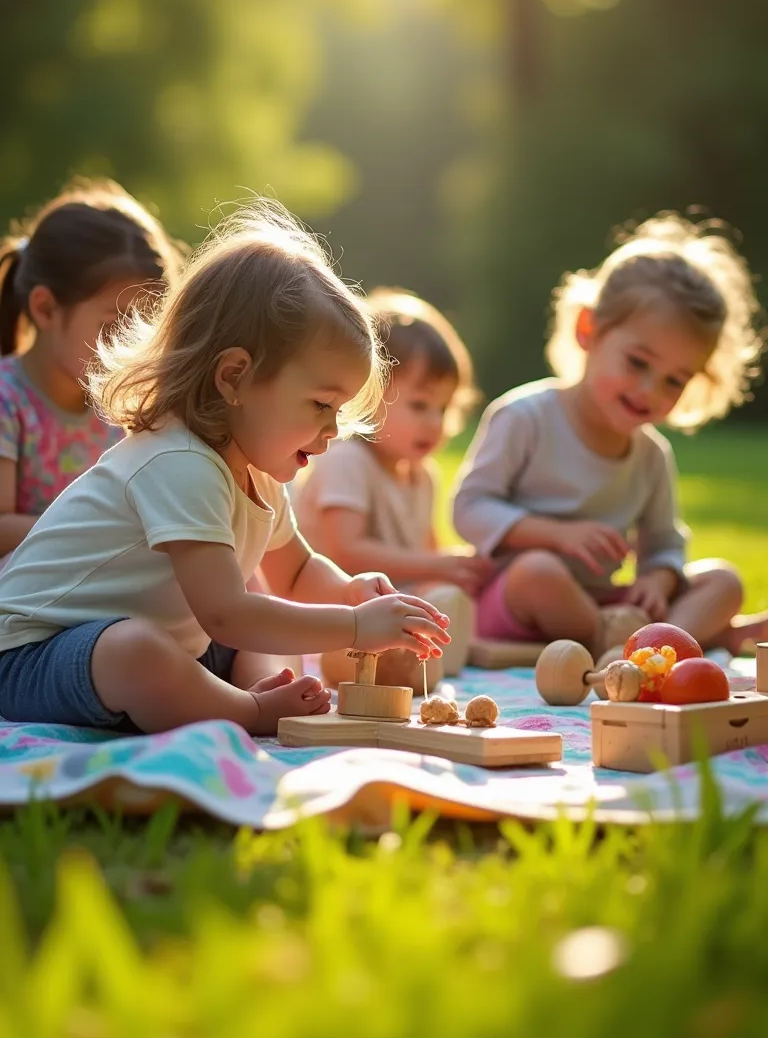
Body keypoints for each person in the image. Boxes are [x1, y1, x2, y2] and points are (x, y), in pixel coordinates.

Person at [0, 202, 449, 735]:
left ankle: (244, 690)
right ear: (234, 377)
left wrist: (350, 591)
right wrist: (354, 625)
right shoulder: (179, 461)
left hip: (152, 648)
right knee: (143, 648)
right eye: (320, 405)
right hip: (31, 657)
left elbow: (298, 572)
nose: (332, 431)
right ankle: (247, 711)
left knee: (246, 619)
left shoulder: (257, 470)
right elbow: (224, 614)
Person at [452, 213, 766, 659]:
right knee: (539, 571)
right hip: (519, 600)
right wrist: (556, 536)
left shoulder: (651, 455)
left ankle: (653, 647)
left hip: (604, 605)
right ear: (589, 331)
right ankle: (647, 648)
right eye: (638, 363)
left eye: (674, 381)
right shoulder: (525, 417)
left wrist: (658, 578)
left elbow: (665, 544)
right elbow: (469, 508)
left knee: (723, 581)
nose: (649, 392)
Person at [298, 288, 494, 687]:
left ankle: (437, 652)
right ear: (367, 397)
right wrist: (438, 565)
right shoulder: (346, 460)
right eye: (420, 406)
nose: (435, 424)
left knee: (445, 600)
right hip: (332, 612)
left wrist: (454, 570)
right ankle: (423, 656)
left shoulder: (422, 476)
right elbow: (344, 551)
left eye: (444, 408)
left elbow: (426, 554)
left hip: (382, 611)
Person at [0, 179, 182, 558]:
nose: (130, 349)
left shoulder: (128, 406)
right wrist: (107, 530)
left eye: (143, 330)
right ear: (45, 308)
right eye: (113, 325)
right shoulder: (7, 400)